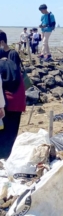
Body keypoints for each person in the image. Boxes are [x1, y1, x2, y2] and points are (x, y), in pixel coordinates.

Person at [0, 30, 26, 159]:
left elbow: (13, 76)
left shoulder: (13, 54)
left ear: (2, 42)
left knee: (7, 131)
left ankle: (6, 156)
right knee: (7, 131)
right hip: (12, 99)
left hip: (9, 98)